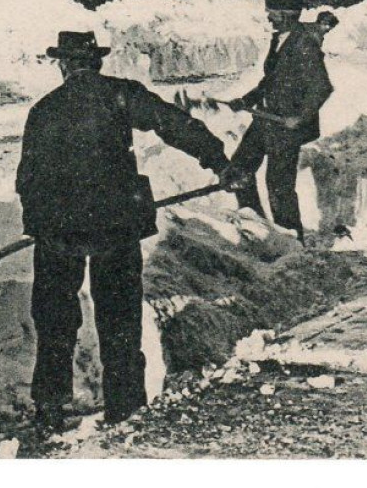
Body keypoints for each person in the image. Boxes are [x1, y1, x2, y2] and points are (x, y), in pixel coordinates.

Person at [15, 31, 229, 430]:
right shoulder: (120, 94)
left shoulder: (44, 109)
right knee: (118, 316)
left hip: (59, 229)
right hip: (114, 224)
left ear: (63, 64)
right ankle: (125, 406)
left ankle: (49, 404)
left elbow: (27, 178)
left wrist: (39, 225)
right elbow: (172, 123)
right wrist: (217, 159)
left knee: (54, 317)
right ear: (95, 62)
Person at [221, 0, 334, 241]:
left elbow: (321, 87)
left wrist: (301, 117)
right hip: (265, 118)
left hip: (285, 126)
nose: (267, 16)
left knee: (279, 186)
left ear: (285, 14)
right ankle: (256, 224)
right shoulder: (280, 38)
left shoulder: (303, 44)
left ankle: (291, 240)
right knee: (239, 169)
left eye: (271, 12)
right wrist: (246, 99)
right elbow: (271, 79)